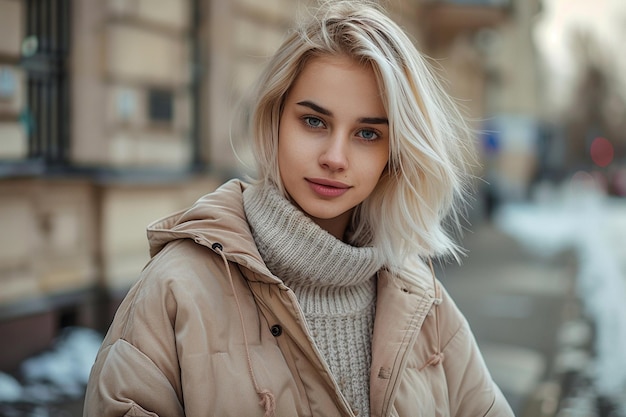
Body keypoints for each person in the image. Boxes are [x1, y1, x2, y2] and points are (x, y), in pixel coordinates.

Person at [84, 1, 515, 416]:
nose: (335, 157)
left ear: (395, 154)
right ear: (275, 118)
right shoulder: (177, 289)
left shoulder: (425, 306)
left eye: (367, 134)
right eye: (314, 121)